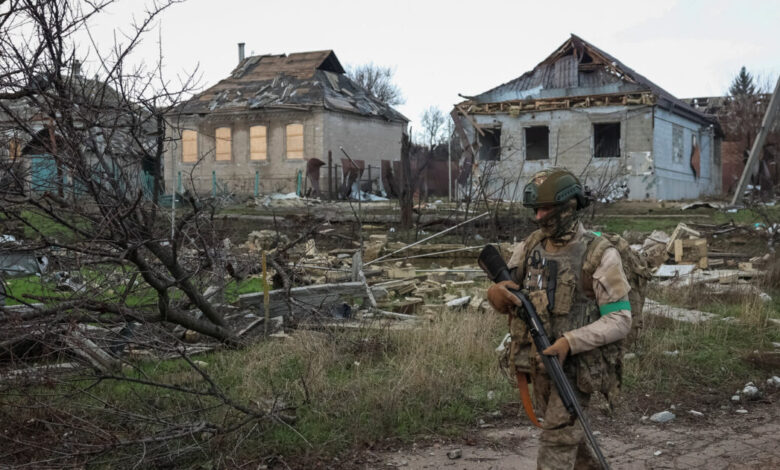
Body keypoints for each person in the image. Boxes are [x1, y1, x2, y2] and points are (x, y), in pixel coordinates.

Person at [487, 168, 631, 470]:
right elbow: (509, 292)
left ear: (568, 206)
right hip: (538, 363)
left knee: (556, 444)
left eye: (545, 209)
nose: (538, 217)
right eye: (535, 210)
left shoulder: (599, 254)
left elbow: (620, 318)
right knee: (570, 444)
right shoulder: (531, 247)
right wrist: (496, 295)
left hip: (578, 368)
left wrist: (570, 342)